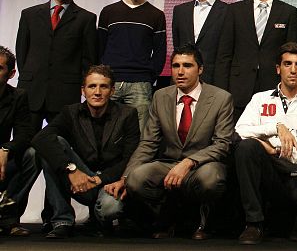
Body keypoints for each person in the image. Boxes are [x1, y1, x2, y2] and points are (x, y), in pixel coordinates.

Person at [106, 45, 234, 240]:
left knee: (211, 179)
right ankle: (172, 217)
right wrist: (125, 177)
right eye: (176, 66)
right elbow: (148, 142)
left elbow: (223, 144)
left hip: (203, 165)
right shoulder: (161, 96)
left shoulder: (220, 98)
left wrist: (189, 162)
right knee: (137, 179)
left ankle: (202, 221)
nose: (180, 71)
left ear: (200, 69)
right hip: (169, 164)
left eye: (187, 66)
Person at [234, 42, 297, 244]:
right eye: (287, 64)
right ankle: (254, 224)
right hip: (272, 177)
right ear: (278, 68)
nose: (293, 70)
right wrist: (275, 127)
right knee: (246, 147)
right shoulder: (259, 99)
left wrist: (275, 149)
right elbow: (238, 133)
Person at [31, 65, 140, 238]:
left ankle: (99, 220)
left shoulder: (127, 114)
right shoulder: (71, 112)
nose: (97, 92)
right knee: (53, 145)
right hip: (80, 178)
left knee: (109, 210)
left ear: (112, 91)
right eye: (92, 86)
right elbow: (40, 138)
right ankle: (62, 221)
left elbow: (130, 158)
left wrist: (99, 179)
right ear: (83, 90)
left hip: (109, 182)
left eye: (103, 87)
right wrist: (71, 169)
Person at [15, 0, 97, 130]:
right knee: (23, 145)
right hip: (31, 91)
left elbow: (89, 60)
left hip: (65, 94)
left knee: (59, 146)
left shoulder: (86, 19)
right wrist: (29, 78)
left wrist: (80, 85)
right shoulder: (29, 15)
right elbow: (21, 52)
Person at [216, 0, 297, 121]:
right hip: (238, 89)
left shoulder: (288, 12)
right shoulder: (234, 10)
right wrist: (222, 91)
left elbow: (291, 56)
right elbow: (224, 55)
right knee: (236, 140)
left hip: (273, 89)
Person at [98, 0, 167, 130]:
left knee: (140, 134)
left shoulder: (156, 15)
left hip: (140, 84)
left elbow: (160, 51)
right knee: (102, 130)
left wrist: (149, 76)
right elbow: (99, 46)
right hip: (110, 81)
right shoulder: (109, 12)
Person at [0, 46, 38, 237]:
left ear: (11, 73)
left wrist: (6, 149)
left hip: (2, 160)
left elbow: (25, 133)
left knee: (32, 155)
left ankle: (8, 217)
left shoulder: (18, 96)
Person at [172, 0, 228, 86]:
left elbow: (226, 53)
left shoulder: (228, 12)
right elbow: (177, 47)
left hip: (213, 82)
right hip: (182, 80)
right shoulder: (180, 11)